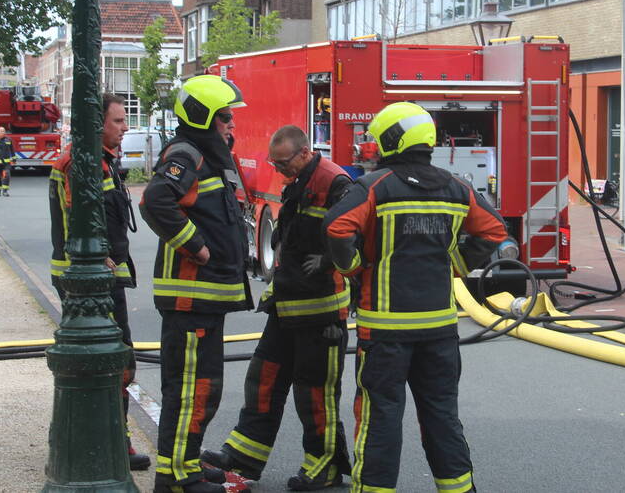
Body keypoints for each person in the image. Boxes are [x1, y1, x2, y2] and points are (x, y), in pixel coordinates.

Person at [323, 102, 509, 493]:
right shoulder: (456, 187)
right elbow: (494, 230)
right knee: (442, 415)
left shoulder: (375, 187)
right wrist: (456, 263)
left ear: (392, 139)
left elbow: (337, 226)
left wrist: (352, 266)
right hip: (440, 331)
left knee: (381, 418)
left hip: (386, 332)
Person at [201, 125, 353, 490]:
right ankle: (243, 456)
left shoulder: (336, 182)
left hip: (322, 311)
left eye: (284, 163)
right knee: (263, 378)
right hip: (287, 303)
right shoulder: (298, 181)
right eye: (276, 164)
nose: (280, 171)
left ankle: (325, 467)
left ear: (304, 153)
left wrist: (330, 261)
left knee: (314, 392)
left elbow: (355, 233)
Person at [139, 75, 252, 493]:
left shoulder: (205, 155)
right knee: (190, 391)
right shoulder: (187, 153)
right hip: (191, 298)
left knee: (202, 390)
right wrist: (198, 248)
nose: (230, 125)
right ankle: (175, 479)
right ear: (203, 116)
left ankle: (187, 464)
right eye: (224, 117)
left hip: (205, 301)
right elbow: (155, 200)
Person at [48, 93, 150, 471]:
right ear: (98, 124)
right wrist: (97, 262)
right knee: (112, 359)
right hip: (90, 281)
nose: (125, 128)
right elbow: (81, 217)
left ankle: (111, 436)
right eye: (119, 122)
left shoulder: (100, 161)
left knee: (112, 358)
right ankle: (110, 441)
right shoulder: (84, 163)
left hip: (100, 276)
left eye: (125, 121)